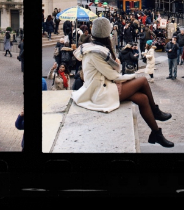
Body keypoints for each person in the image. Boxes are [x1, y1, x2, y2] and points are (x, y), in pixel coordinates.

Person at [71, 17, 174, 148]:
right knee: (142, 80)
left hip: (104, 85)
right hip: (101, 92)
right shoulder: (95, 53)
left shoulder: (94, 48)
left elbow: (111, 74)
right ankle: (155, 112)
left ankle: (156, 133)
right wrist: (132, 76)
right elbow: (114, 76)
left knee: (142, 99)